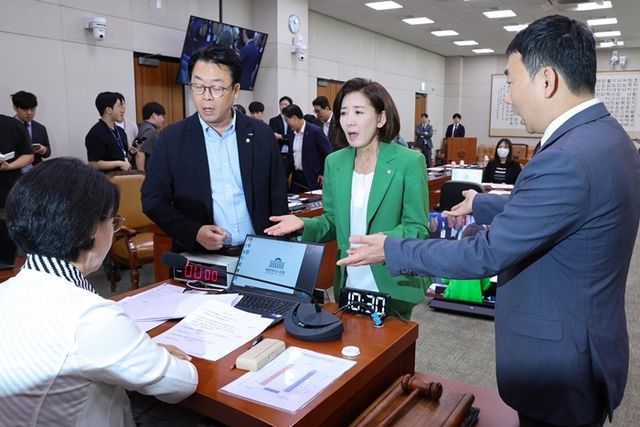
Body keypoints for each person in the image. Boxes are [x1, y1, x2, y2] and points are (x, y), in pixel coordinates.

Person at [337, 15, 640, 427]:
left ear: (547, 80)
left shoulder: (567, 156)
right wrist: (482, 204)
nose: (509, 98)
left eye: (512, 82)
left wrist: (392, 248)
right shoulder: (607, 138)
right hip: (587, 341)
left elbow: (486, 253)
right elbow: (563, 208)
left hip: (560, 362)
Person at [0, 158, 197, 426]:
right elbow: (181, 384)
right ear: (92, 228)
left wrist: (137, 352)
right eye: (114, 221)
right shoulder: (90, 318)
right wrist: (153, 353)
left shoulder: (7, 290)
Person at [265, 78, 430, 319]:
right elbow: (332, 221)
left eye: (358, 112)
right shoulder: (335, 162)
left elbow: (417, 228)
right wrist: (303, 224)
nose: (349, 120)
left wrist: (383, 243)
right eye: (343, 113)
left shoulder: (409, 162)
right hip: (349, 282)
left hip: (392, 283)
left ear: (381, 118)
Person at [141, 45, 289, 256]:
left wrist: (280, 249)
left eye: (217, 88)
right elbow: (152, 200)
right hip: (201, 256)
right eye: (198, 86)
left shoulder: (261, 134)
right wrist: (194, 231)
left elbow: (278, 196)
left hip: (258, 253)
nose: (206, 97)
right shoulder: (171, 139)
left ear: (235, 90)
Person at [0, 114, 33, 263]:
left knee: (6, 239)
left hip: (6, 192)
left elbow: (28, 155)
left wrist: (9, 166)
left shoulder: (12, 125)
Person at [282, 104, 333, 193]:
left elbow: (328, 153)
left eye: (287, 120)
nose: (287, 123)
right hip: (296, 179)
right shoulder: (292, 134)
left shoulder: (315, 131)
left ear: (294, 118)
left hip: (313, 179)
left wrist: (323, 173)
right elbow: (291, 156)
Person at [85, 92, 132, 173]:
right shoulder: (96, 133)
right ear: (108, 110)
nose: (123, 110)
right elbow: (93, 163)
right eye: (119, 106)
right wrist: (118, 163)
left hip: (124, 176)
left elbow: (124, 157)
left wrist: (132, 152)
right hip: (105, 179)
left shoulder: (120, 131)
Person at [11, 91, 51, 172]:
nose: (29, 113)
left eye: (32, 109)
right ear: (15, 108)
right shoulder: (6, 127)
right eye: (25, 109)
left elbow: (47, 153)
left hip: (36, 173)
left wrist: (44, 150)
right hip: (13, 172)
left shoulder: (40, 128)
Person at [135, 101, 166, 172]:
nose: (163, 119)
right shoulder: (149, 131)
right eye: (161, 116)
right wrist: (142, 174)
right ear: (154, 115)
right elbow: (140, 153)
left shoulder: (143, 127)